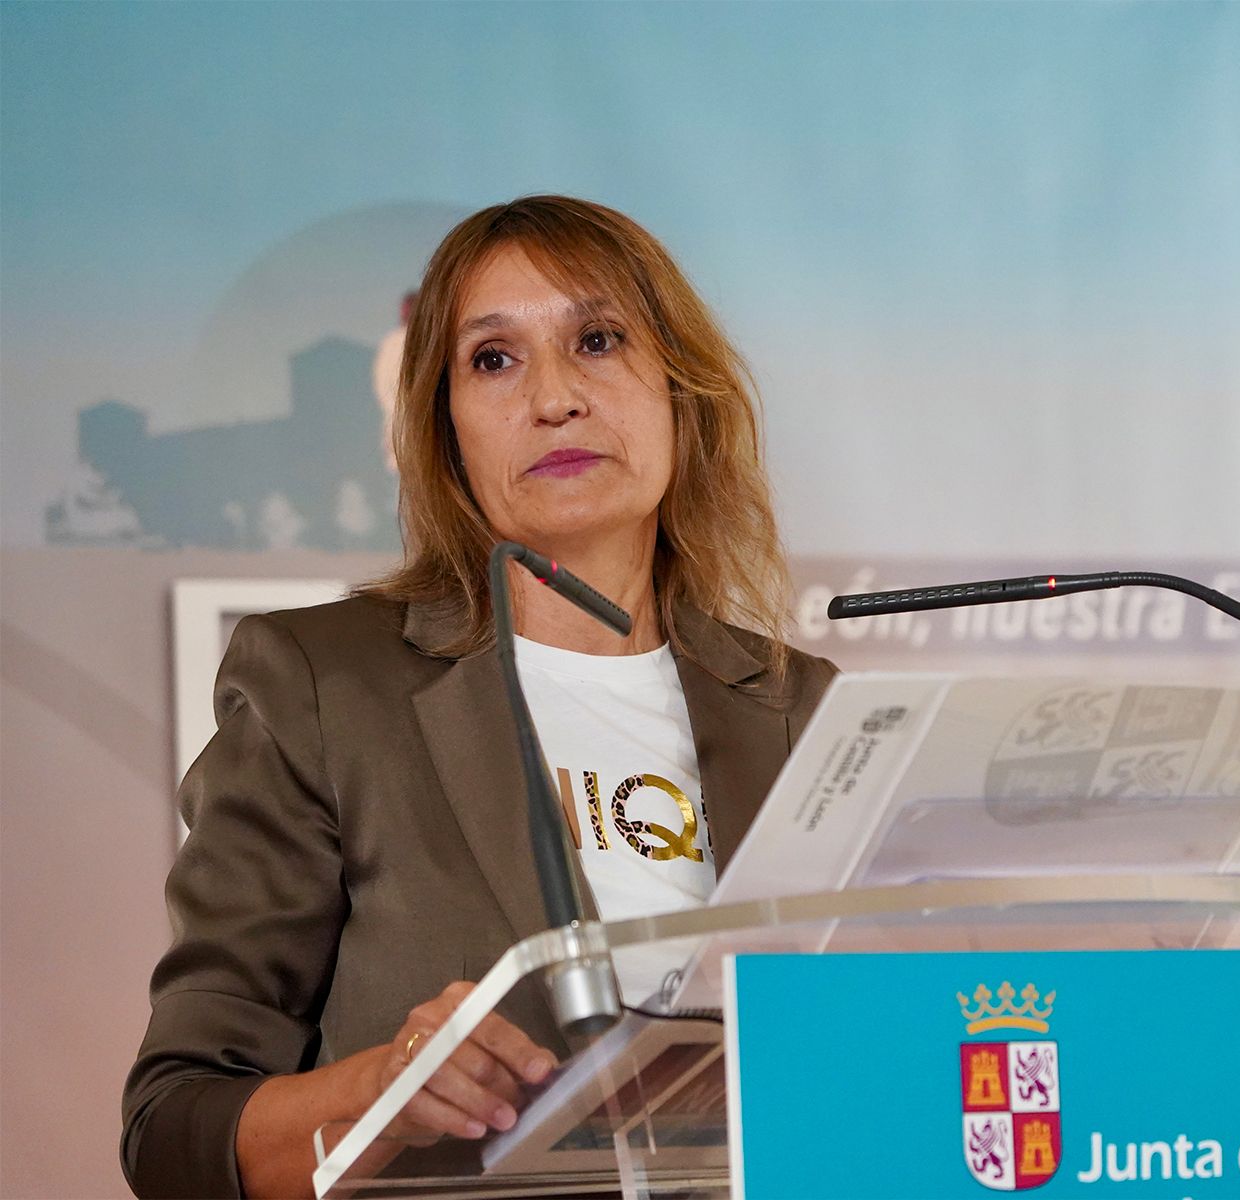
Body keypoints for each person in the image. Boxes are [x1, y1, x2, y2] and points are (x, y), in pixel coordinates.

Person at [121, 196, 837, 1199]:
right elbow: (174, 1133)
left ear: (682, 387)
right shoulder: (325, 686)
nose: (555, 397)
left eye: (598, 339)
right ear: (444, 429)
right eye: (494, 359)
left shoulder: (806, 709)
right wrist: (383, 1092)